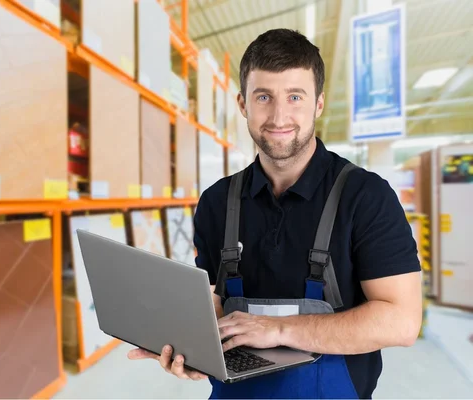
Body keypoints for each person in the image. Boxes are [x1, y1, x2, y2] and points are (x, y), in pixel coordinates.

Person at [128, 28, 422, 399]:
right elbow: (214, 302)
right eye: (263, 96)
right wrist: (185, 345)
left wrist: (279, 329)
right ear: (242, 104)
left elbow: (402, 322)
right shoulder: (217, 202)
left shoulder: (365, 196)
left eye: (295, 96)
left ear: (318, 104)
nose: (279, 116)